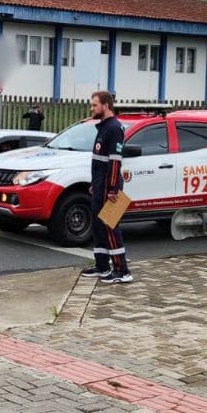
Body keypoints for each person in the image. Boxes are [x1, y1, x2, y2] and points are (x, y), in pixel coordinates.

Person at [80, 91, 132, 284]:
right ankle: (102, 266)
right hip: (100, 187)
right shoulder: (102, 128)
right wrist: (95, 185)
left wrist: (111, 189)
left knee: (111, 227)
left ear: (106, 106)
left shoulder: (114, 129)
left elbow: (115, 163)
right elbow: (99, 163)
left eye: (94, 105)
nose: (91, 108)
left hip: (110, 189)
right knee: (98, 226)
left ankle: (122, 270)